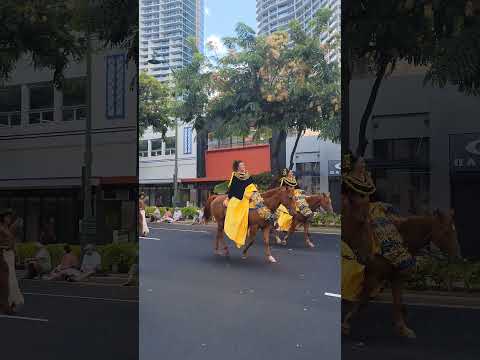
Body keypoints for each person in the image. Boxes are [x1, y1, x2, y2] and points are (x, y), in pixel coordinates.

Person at [223, 160, 275, 248]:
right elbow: (232, 188)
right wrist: (228, 198)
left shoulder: (248, 175)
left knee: (260, 201)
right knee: (238, 208)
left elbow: (251, 185)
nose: (243, 166)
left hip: (250, 194)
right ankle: (237, 225)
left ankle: (267, 216)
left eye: (243, 165)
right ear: (238, 167)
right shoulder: (235, 175)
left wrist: (254, 190)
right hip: (240, 195)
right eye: (241, 165)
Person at [0, 208, 25, 313]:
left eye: (10, 217)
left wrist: (16, 254)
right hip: (3, 254)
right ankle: (8, 303)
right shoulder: (0, 227)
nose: (9, 218)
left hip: (10, 254)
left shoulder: (7, 228)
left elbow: (12, 242)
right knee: (7, 280)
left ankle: (11, 302)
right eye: (7, 216)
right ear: (3, 218)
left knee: (12, 279)